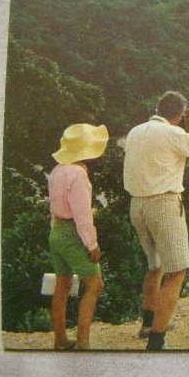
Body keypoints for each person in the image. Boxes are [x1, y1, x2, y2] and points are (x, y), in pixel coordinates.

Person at [123, 91, 189, 350]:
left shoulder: (135, 131)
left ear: (157, 107)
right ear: (181, 114)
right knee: (177, 272)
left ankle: (147, 323)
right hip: (163, 203)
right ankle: (157, 339)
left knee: (156, 266)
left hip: (137, 204)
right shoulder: (174, 134)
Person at [48, 123, 109, 349]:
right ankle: (83, 341)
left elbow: (53, 208)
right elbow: (82, 214)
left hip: (56, 231)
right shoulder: (78, 175)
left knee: (62, 286)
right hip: (73, 233)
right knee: (94, 285)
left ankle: (60, 339)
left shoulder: (56, 171)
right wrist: (91, 244)